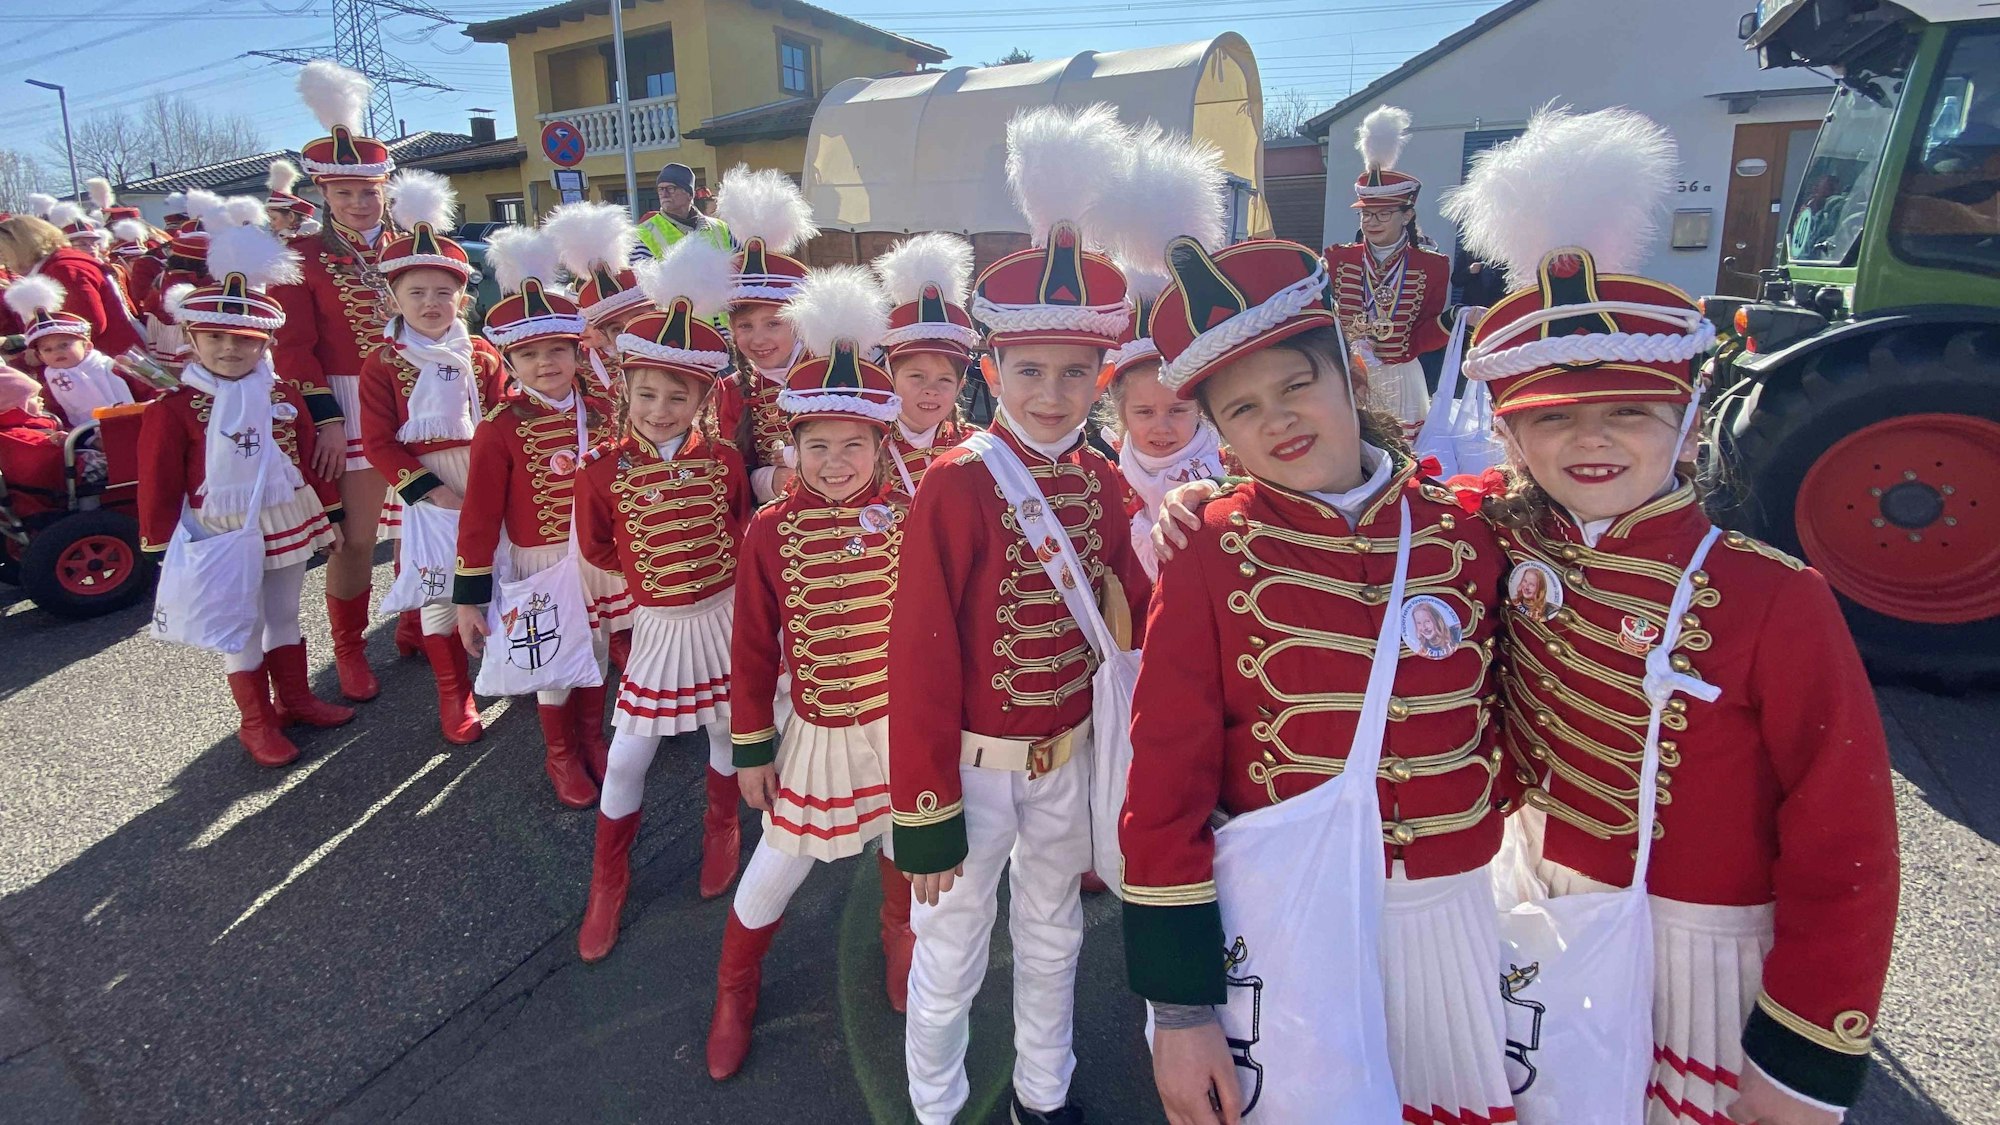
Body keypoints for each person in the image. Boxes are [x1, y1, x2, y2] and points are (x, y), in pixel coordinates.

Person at [1440, 105, 1899, 1125]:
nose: (1589, 442)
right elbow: (1385, 507)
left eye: (1627, 415)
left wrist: (1801, 1063)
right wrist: (1198, 501)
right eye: (1550, 421)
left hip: (1694, 959)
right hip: (1527, 905)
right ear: (1512, 440)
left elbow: (1844, 848)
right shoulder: (1500, 534)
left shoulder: (1772, 599)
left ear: (1683, 427)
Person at [1118, 233, 1515, 1125]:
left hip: (1450, 922)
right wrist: (1180, 1011)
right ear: (1220, 435)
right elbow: (1164, 788)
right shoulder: (1208, 551)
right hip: (1299, 936)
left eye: (1298, 385)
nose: (1279, 421)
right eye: (1244, 408)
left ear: (1352, 378)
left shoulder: (1467, 531)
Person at [889, 103, 1153, 1125]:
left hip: (1068, 757)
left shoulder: (1099, 478)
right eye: (1031, 372)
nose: (1053, 392)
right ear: (990, 372)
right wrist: (924, 815)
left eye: (1076, 373)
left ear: (1100, 377)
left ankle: (1042, 1093)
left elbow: (1138, 601)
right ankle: (936, 1106)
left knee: (1053, 936)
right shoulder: (955, 484)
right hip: (968, 769)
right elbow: (916, 656)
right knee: (950, 950)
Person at [706, 265, 915, 1079]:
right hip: (818, 729)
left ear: (880, 445)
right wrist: (752, 747)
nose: (834, 462)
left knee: (907, 844)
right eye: (817, 445)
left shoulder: (913, 515)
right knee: (777, 866)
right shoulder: (768, 529)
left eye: (853, 445)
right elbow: (753, 648)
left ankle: (900, 937)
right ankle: (734, 984)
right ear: (791, 446)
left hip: (900, 726)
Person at [572, 235, 751, 963]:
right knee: (627, 754)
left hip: (723, 615)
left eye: (679, 396)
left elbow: (742, 527)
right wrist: (655, 583)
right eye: (647, 393)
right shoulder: (601, 469)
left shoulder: (726, 460)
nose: (660, 407)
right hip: (658, 627)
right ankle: (607, 879)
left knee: (722, 733)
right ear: (625, 390)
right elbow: (597, 546)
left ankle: (723, 829)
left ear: (705, 399)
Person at [137, 215, 352, 768]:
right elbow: (158, 479)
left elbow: (306, 458)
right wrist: (161, 545)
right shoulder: (175, 408)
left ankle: (297, 700)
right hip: (222, 526)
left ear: (264, 344)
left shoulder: (282, 393)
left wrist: (328, 514)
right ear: (192, 338)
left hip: (283, 513)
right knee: (242, 622)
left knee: (283, 611)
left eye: (243, 339)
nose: (229, 349)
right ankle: (256, 723)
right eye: (215, 337)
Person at [452, 224, 620, 810]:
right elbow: (477, 516)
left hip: (597, 554)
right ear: (510, 360)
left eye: (557, 350)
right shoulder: (499, 428)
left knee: (595, 648)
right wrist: (468, 596)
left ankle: (594, 739)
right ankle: (561, 754)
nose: (545, 363)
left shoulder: (603, 409)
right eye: (529, 354)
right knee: (549, 659)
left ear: (579, 352)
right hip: (539, 558)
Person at [269, 60, 413, 703]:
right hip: (350, 402)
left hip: (420, 393)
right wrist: (325, 417)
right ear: (324, 194)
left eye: (369, 191)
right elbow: (293, 349)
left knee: (425, 520)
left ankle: (418, 618)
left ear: (385, 189)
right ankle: (349, 649)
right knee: (357, 536)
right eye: (344, 193)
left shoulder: (415, 246)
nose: (358, 202)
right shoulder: (300, 258)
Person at [357, 170, 500, 745]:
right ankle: (453, 694)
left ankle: (504, 666)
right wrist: (428, 490)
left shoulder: (484, 355)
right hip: (432, 483)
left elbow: (502, 415)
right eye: (416, 293)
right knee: (443, 588)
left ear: (462, 298)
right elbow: (379, 441)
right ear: (395, 297)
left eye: (444, 293)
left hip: (485, 477)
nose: (431, 303)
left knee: (493, 576)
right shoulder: (384, 363)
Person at [1094, 123, 1234, 581]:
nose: (1161, 426)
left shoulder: (1228, 464)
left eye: (1177, 409)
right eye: (1144, 411)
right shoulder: (1116, 473)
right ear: (1120, 413)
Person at [1323, 105, 1451, 440]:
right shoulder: (1339, 259)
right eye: (1366, 215)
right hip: (1351, 371)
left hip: (1401, 376)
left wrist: (1451, 323)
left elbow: (1426, 328)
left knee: (1405, 452)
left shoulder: (1432, 266)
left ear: (1407, 216)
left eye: (1382, 214)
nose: (1371, 223)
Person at [710, 165, 816, 504]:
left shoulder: (828, 370)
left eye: (773, 324)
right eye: (745, 326)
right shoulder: (731, 390)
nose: (759, 339)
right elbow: (730, 471)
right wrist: (768, 480)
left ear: (797, 322)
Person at [870, 232, 980, 498]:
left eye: (944, 379)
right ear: (890, 376)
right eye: (917, 376)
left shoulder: (978, 447)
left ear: (960, 385)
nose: (931, 390)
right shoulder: (868, 445)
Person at [4, 276, 159, 428]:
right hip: (89, 438)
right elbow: (58, 414)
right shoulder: (51, 383)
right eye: (47, 349)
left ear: (88, 346)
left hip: (138, 425)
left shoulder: (112, 367)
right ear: (40, 357)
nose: (56, 352)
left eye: (64, 345)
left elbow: (148, 392)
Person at [0, 215, 147, 358]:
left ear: (20, 247)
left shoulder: (63, 269)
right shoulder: (58, 264)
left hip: (106, 361)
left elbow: (89, 323)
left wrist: (38, 352)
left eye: (4, 251)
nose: (3, 258)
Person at [635, 162, 733, 261]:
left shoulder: (721, 228)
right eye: (660, 189)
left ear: (690, 194)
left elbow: (741, 268)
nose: (664, 194)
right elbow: (639, 275)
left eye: (671, 188)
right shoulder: (643, 234)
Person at [265, 159, 322, 239]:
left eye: (274, 218)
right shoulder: (276, 237)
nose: (270, 224)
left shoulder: (309, 236)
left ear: (291, 216)